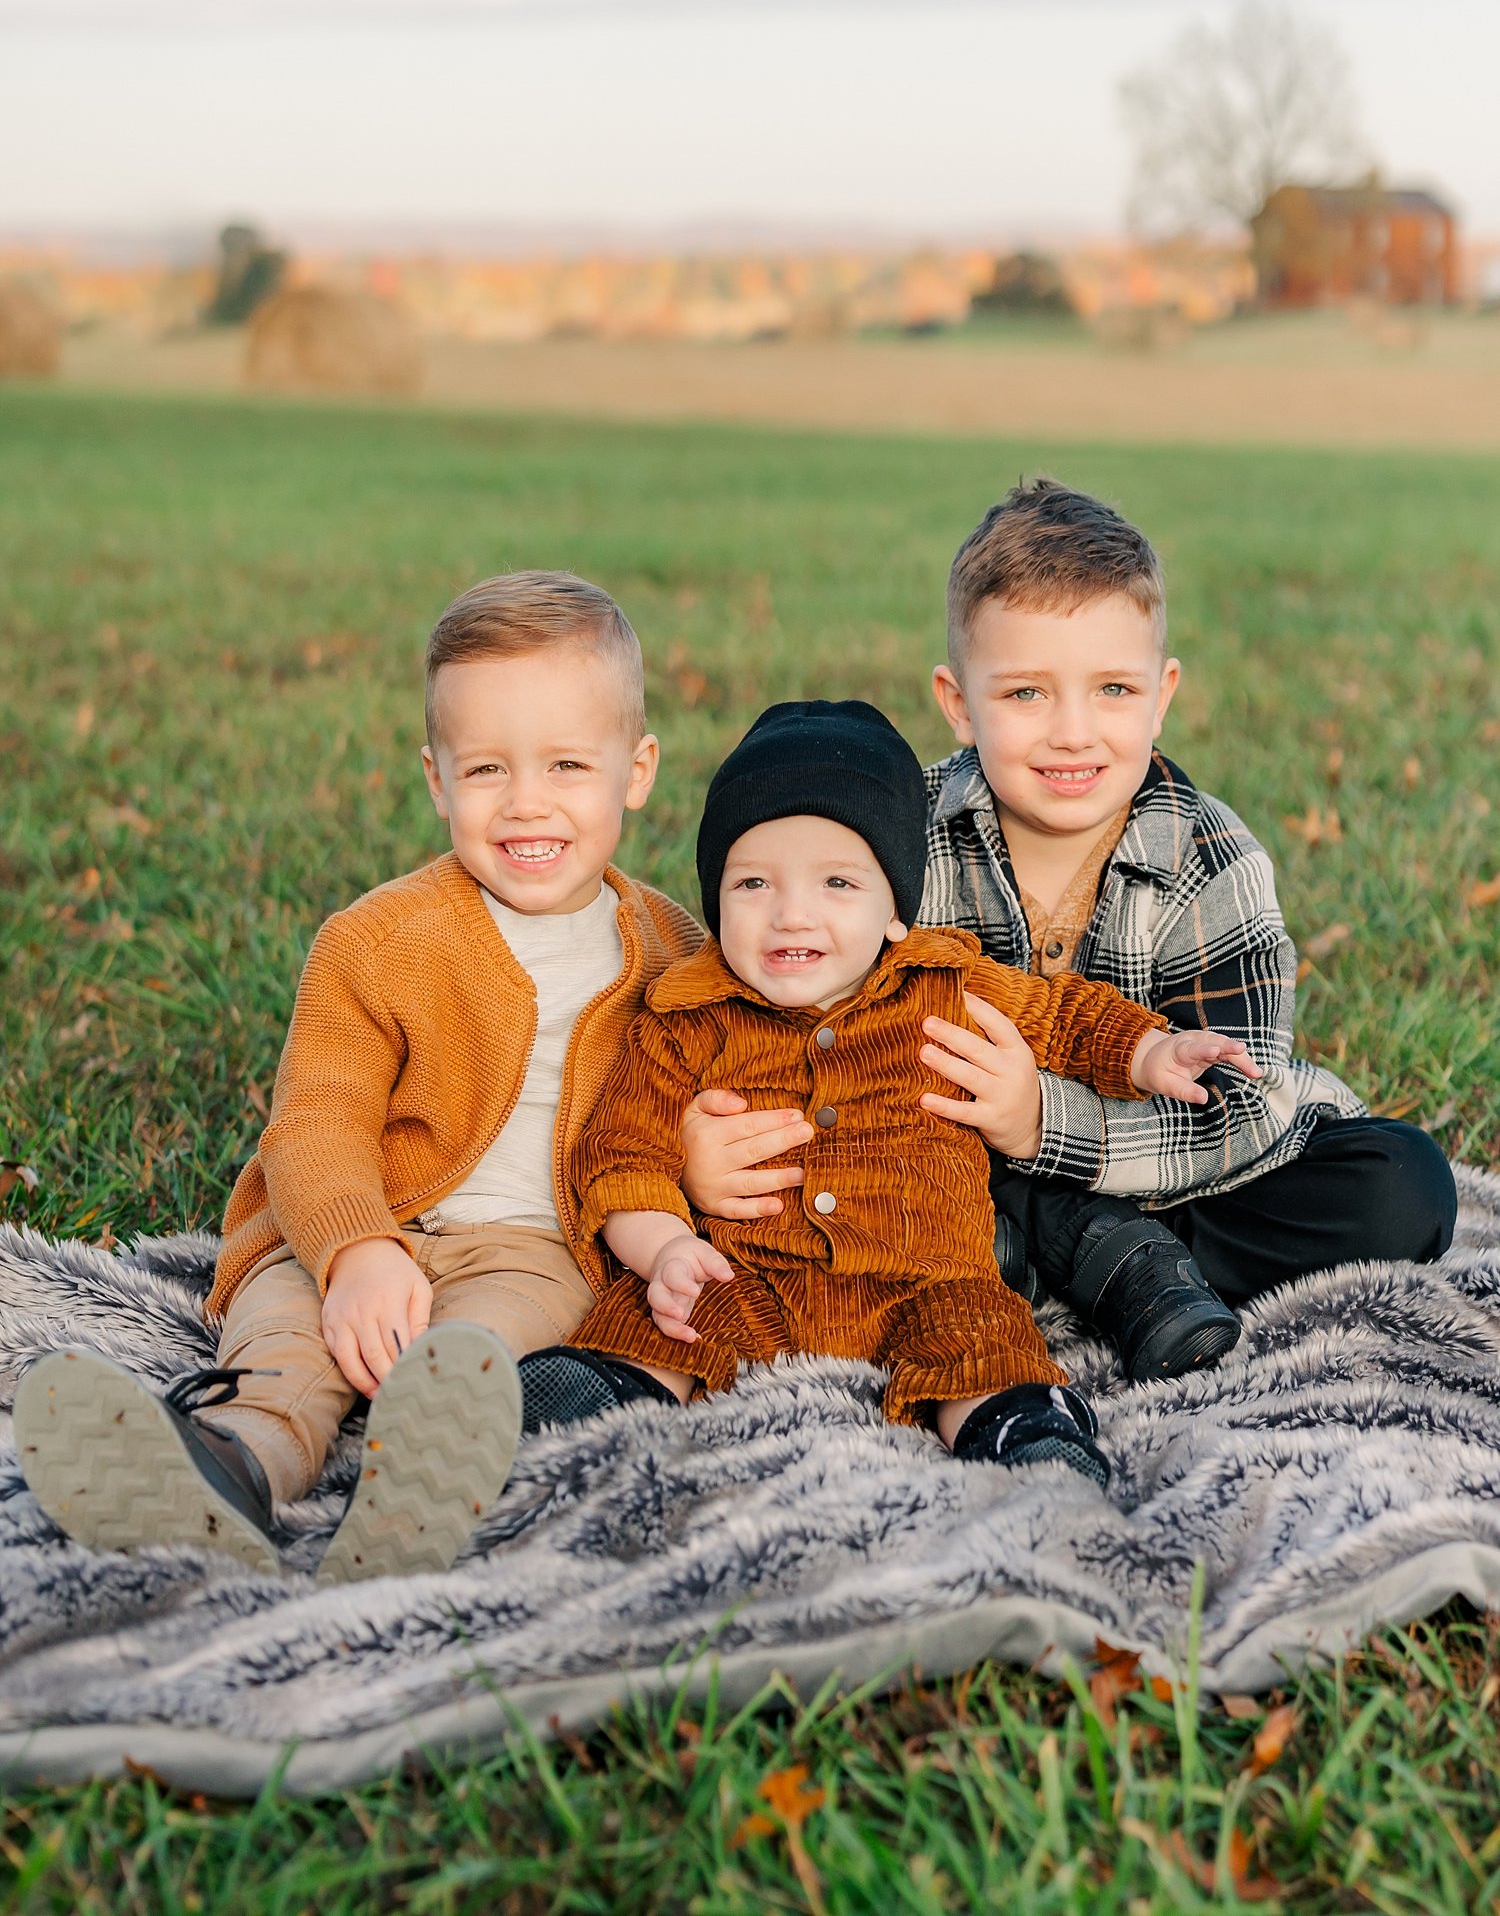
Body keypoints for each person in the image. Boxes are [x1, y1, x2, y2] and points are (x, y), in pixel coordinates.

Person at [676, 483, 1458, 1384]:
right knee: (875, 1177)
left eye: (1113, 689)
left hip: (1165, 1171)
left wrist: (1044, 1123)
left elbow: (1242, 1106)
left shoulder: (1210, 858)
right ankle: (1110, 1271)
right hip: (935, 1169)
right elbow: (773, 1004)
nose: (1073, 734)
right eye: (1027, 694)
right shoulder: (897, 835)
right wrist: (706, 1149)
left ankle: (1076, 1263)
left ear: (1162, 695)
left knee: (1402, 1185)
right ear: (959, 702)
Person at [15, 572, 700, 1582]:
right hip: (359, 1223)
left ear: (635, 770)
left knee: (480, 1350)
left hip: (535, 1248)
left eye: (566, 765)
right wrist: (355, 1252)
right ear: (435, 779)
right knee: (290, 1335)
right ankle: (235, 1463)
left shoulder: (671, 950)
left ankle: (409, 1495)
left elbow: (710, 1091)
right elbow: (316, 1126)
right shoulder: (377, 941)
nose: (526, 804)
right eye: (486, 772)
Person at [516, 700, 1260, 1485]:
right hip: (750, 1275)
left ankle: (1020, 1432)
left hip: (925, 1277)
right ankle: (597, 1396)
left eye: (837, 882)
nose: (790, 913)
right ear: (717, 897)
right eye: (753, 883)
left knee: (979, 1336)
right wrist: (666, 1248)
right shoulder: (686, 1014)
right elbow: (622, 1154)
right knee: (663, 1312)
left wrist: (1149, 1050)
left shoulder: (940, 982)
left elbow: (1063, 1016)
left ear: (894, 910)